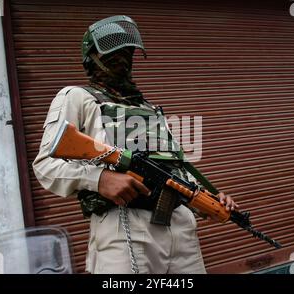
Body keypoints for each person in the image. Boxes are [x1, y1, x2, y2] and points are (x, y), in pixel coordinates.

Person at [33, 15, 238, 274]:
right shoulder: (78, 97)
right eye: (112, 55)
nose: (121, 61)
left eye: (127, 53)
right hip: (125, 225)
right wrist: (100, 179)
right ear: (91, 59)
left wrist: (206, 199)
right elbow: (45, 165)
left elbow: (174, 169)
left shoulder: (148, 109)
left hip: (180, 229)